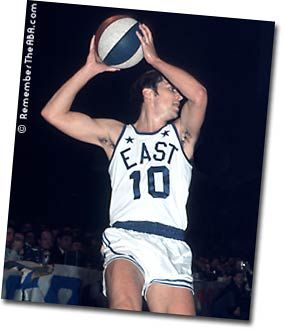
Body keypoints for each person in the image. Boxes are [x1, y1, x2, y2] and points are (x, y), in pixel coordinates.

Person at [41, 23, 207, 315]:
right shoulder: (115, 135)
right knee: (124, 307)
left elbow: (199, 94)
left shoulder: (181, 136)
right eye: (171, 89)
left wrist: (155, 59)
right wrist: (90, 69)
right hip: (126, 237)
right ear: (148, 93)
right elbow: (52, 113)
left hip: (172, 243)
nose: (179, 96)